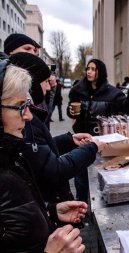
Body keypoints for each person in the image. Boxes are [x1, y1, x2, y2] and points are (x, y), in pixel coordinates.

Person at [0, 61, 86, 252]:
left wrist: (50, 211)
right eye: (20, 106)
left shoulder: (12, 155)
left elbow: (14, 222)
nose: (28, 116)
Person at [9, 52, 105, 205]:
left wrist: (68, 140)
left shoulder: (27, 115)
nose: (50, 86)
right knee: (81, 182)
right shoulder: (23, 121)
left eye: (93, 69)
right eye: (45, 81)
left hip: (49, 206)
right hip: (49, 203)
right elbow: (54, 169)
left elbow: (41, 148)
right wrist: (91, 148)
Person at [67, 58, 129, 201]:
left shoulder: (112, 93)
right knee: (80, 176)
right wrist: (71, 111)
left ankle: (101, 207)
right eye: (88, 69)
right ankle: (81, 208)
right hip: (82, 139)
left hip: (103, 142)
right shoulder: (78, 90)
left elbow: (127, 108)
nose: (89, 72)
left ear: (101, 72)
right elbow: (71, 110)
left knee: (101, 176)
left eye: (93, 69)